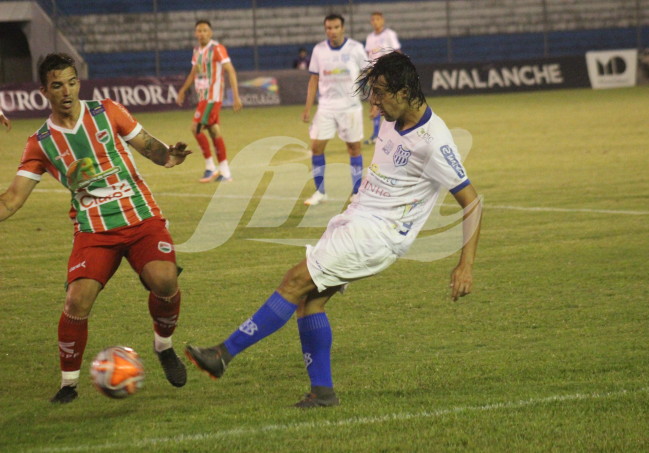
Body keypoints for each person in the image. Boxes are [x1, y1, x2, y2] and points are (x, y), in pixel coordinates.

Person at [185, 51, 482, 408]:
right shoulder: (391, 117)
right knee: (309, 301)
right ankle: (322, 392)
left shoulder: (434, 142)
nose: (373, 102)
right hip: (356, 219)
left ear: (405, 92)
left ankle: (223, 354)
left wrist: (465, 265)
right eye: (372, 92)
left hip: (376, 234)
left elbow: (473, 202)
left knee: (294, 282)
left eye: (380, 93)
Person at [0, 53, 192, 404]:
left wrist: (171, 155)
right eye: (57, 85)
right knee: (77, 300)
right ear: (45, 91)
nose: (67, 91)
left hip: (139, 216)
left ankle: (163, 346)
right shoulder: (40, 143)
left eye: (72, 82)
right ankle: (69, 384)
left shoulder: (107, 111)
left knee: (164, 279)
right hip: (93, 231)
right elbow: (11, 200)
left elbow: (152, 148)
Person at [301, 13, 368, 206]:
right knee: (316, 148)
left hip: (351, 107)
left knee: (354, 148)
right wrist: (307, 107)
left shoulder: (355, 48)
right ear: (325, 29)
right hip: (326, 108)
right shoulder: (319, 50)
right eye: (329, 28)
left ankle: (357, 192)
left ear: (343, 28)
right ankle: (320, 192)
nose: (332, 31)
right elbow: (314, 79)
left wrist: (373, 101)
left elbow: (367, 74)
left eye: (336, 27)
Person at [177, 19, 242, 183]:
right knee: (214, 132)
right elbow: (193, 72)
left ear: (210, 33)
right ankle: (225, 172)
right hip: (203, 97)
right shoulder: (197, 51)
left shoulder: (217, 49)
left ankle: (210, 167)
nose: (202, 33)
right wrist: (183, 90)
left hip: (212, 98)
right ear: (195, 33)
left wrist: (236, 96)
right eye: (199, 30)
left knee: (195, 128)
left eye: (205, 30)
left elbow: (230, 71)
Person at [364, 11, 401, 145]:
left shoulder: (389, 35)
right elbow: (369, 58)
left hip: (388, 73)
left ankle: (394, 133)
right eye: (373, 20)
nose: (375, 22)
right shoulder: (369, 38)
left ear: (382, 20)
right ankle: (376, 135)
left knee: (390, 102)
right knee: (375, 103)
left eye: (378, 19)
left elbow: (397, 52)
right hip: (375, 75)